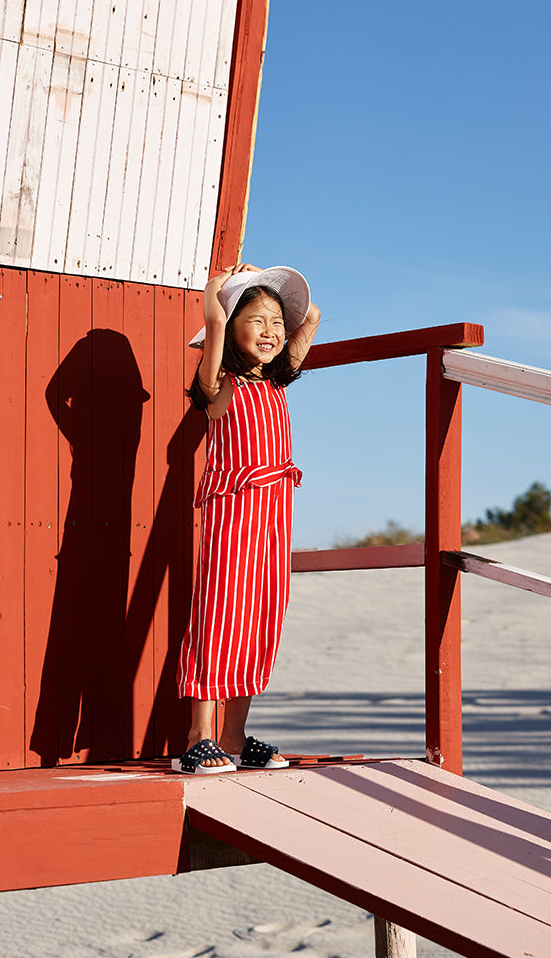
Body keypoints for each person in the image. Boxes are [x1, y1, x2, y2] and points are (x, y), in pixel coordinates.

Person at [172, 263, 320, 774]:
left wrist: (266, 283)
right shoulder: (222, 387)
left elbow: (313, 316)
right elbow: (215, 326)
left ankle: (232, 739)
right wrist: (219, 295)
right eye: (254, 321)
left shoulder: (278, 382)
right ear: (232, 327)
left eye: (276, 322)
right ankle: (199, 738)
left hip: (274, 522)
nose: (270, 331)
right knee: (219, 616)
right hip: (234, 515)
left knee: (260, 620)